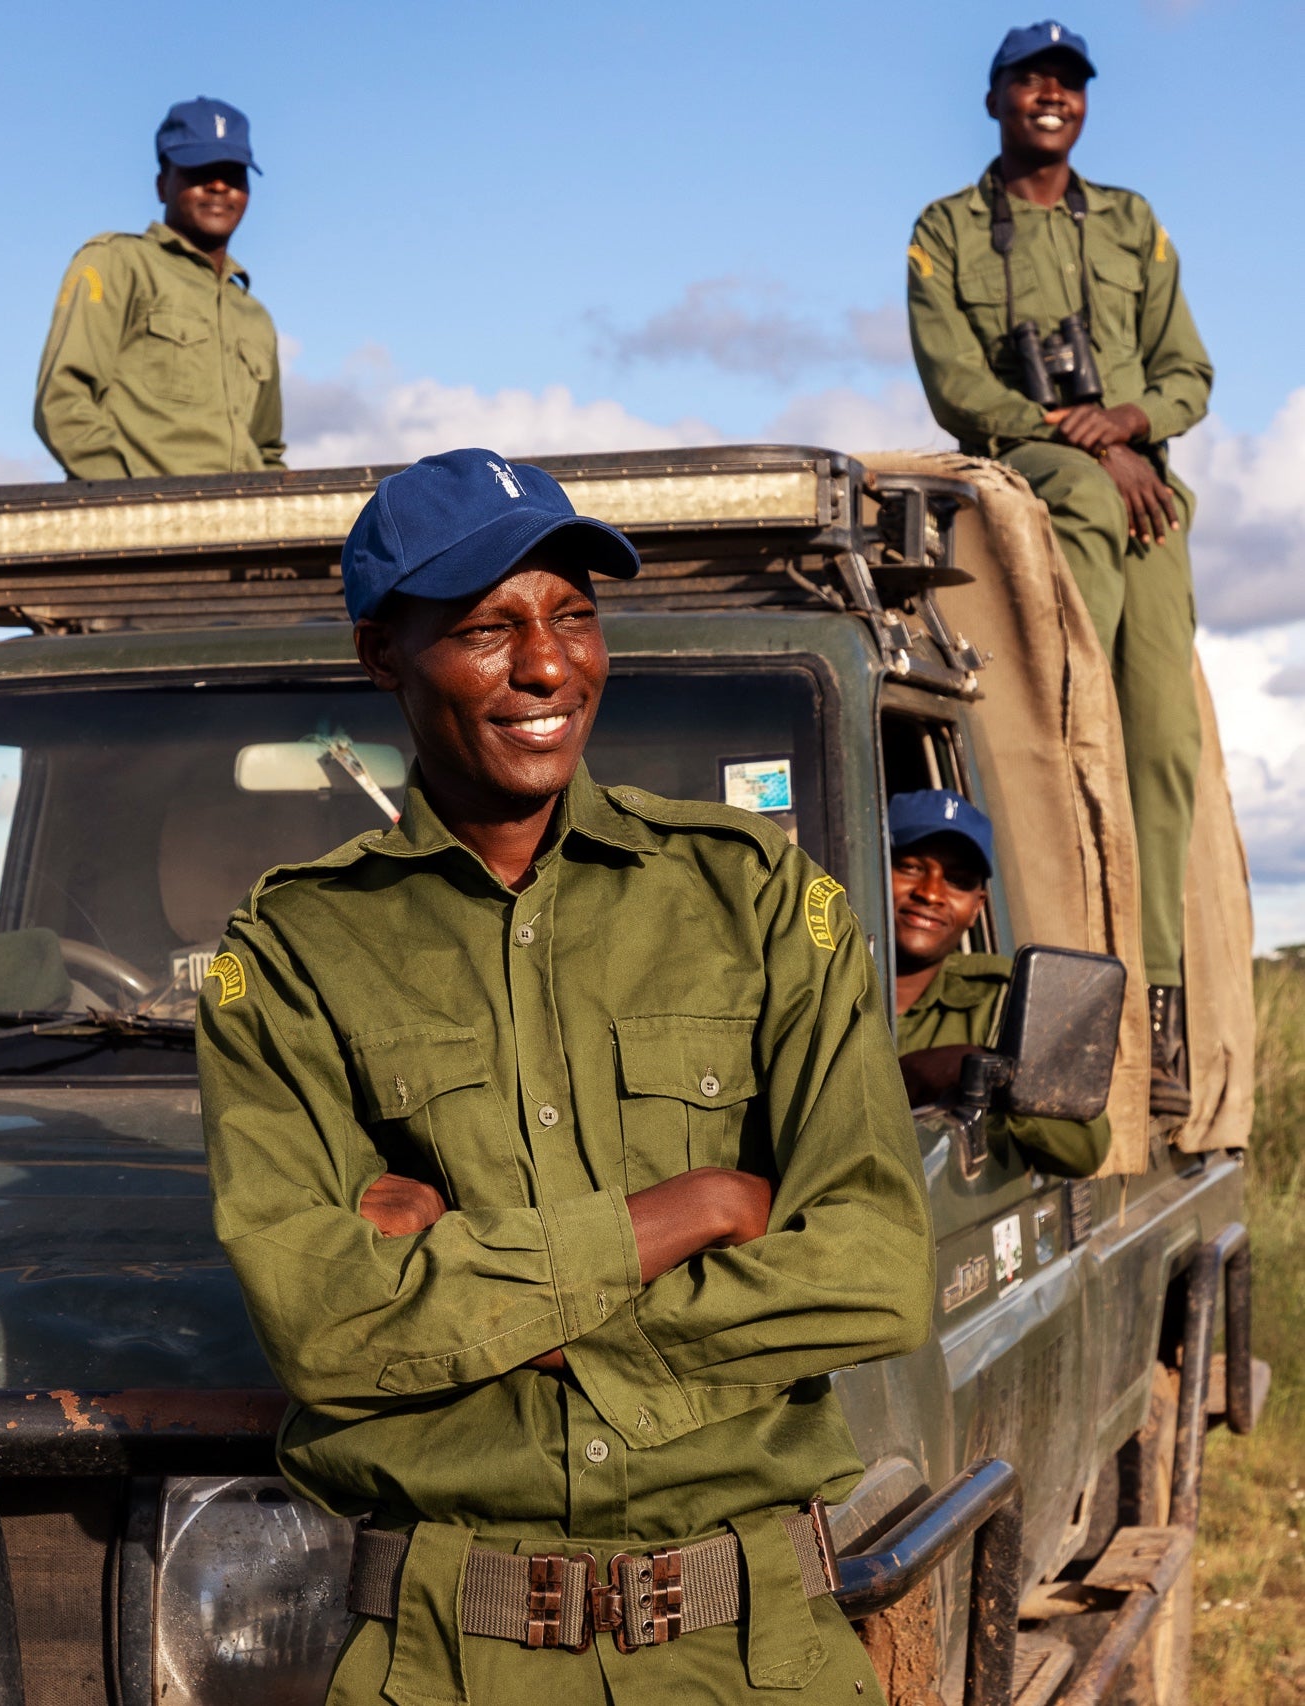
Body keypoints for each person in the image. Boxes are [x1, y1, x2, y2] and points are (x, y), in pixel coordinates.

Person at [197, 448, 933, 1705]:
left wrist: (473, 1295)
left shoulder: (754, 896)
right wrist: (682, 1215)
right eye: (488, 626)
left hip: (752, 1649)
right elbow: (326, 1327)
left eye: (574, 614)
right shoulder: (289, 954)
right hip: (445, 1657)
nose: (547, 665)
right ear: (384, 655)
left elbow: (875, 1273)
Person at [906, 20, 1212, 1117]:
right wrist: (1078, 432)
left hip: (1145, 501)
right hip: (1042, 472)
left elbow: (1190, 372)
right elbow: (957, 387)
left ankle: (1161, 1006)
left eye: (1068, 82)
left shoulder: (1133, 223)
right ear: (994, 100)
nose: (1051, 95)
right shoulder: (946, 230)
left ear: (1084, 104)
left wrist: (1129, 420)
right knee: (1082, 496)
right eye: (1031, 80)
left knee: (1161, 751)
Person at [35, 97, 284, 479]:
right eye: (200, 171)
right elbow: (64, 401)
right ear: (161, 185)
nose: (219, 185)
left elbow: (267, 449)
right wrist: (134, 506)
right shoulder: (117, 263)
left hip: (243, 528)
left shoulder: (255, 317)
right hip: (144, 526)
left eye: (233, 174)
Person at [891, 789, 1110, 1177]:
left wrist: (990, 1073)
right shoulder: (815, 985)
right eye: (909, 867)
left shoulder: (1006, 1001)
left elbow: (1086, 1147)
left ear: (977, 907)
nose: (930, 892)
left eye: (957, 881)